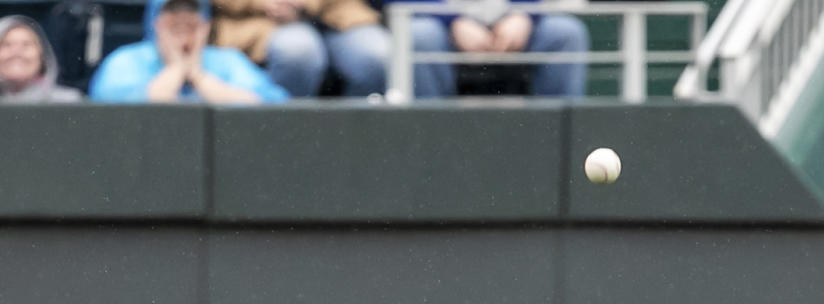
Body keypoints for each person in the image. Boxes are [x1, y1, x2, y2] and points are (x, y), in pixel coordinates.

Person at [88, 0, 289, 103]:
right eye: (173, 10)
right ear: (155, 21)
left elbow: (267, 106)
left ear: (205, 23)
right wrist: (176, 68)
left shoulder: (227, 60)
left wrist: (198, 76)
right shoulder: (127, 59)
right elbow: (112, 110)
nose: (183, 17)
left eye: (191, 9)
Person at [410, 0, 588, 100]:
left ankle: (558, 137)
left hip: (515, 25)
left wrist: (524, 14)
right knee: (420, 36)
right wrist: (453, 21)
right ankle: (432, 136)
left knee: (566, 33)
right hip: (442, 27)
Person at [211, 0, 390, 98]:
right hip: (262, 21)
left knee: (379, 54)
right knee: (298, 51)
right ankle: (289, 135)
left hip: (341, 15)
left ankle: (358, 134)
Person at [0, 16, 82, 102]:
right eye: (7, 45)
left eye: (26, 45)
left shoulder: (67, 102)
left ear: (42, 55)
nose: (16, 52)